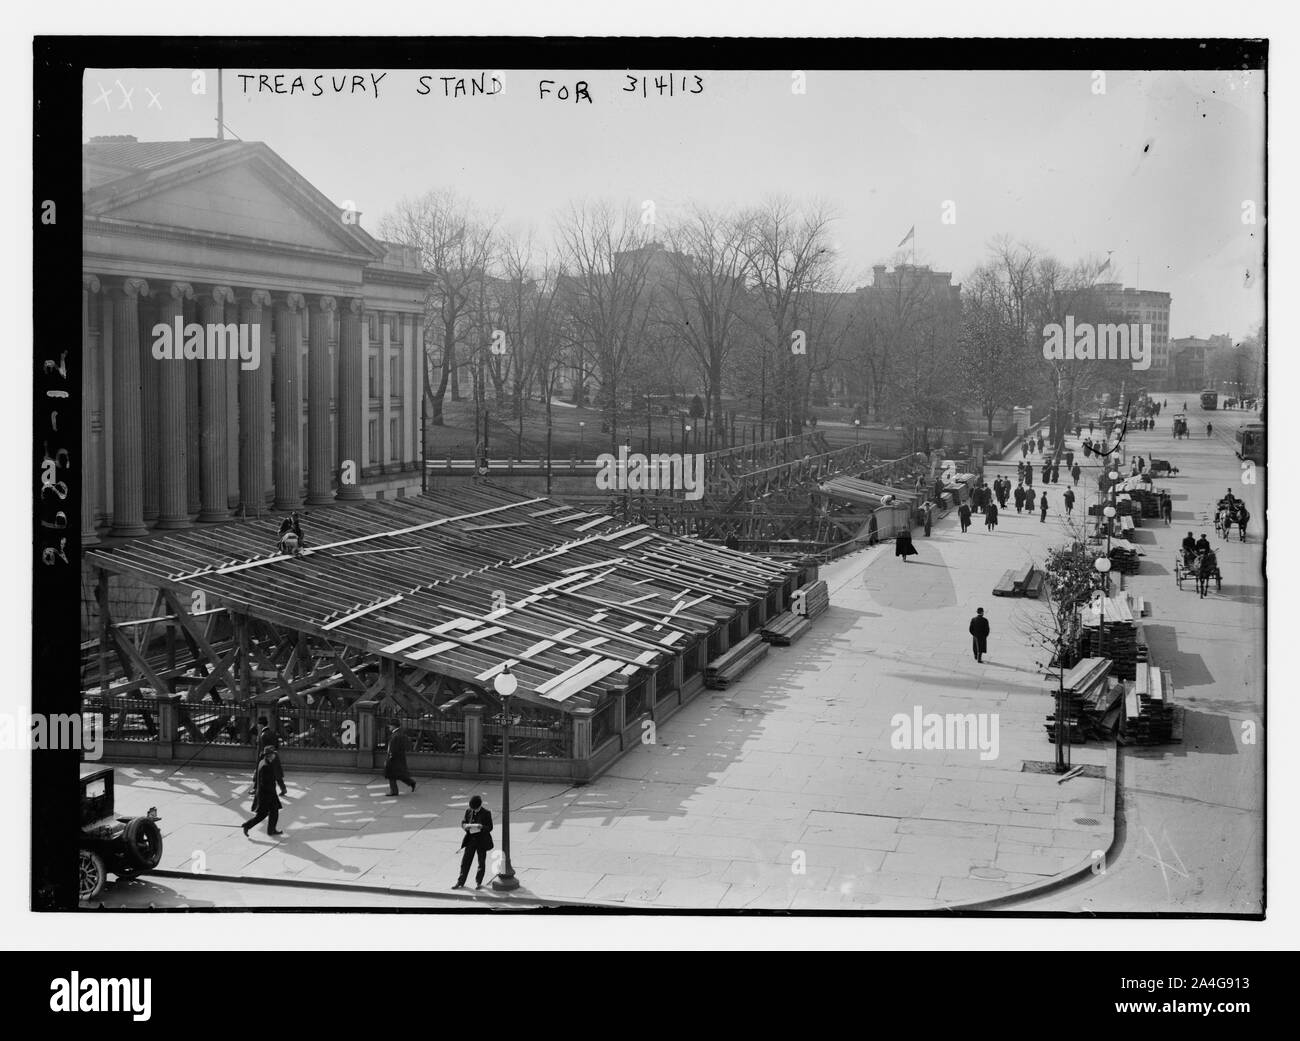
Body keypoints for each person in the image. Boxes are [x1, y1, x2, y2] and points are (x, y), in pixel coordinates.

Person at [454, 795, 495, 890]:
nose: (474, 810)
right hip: (471, 840)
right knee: (465, 862)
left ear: (479, 806)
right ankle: (460, 881)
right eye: (472, 808)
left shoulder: (486, 813)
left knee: (481, 862)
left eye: (475, 809)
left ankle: (478, 882)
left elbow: (490, 827)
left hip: (481, 841)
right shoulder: (468, 811)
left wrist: (482, 827)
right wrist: (465, 826)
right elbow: (463, 822)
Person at [242, 747, 285, 837]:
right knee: (262, 815)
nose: (274, 755)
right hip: (267, 795)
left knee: (274, 811)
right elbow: (265, 783)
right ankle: (247, 825)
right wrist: (270, 795)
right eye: (273, 754)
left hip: (267, 794)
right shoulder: (266, 766)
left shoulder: (264, 762)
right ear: (270, 755)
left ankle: (271, 830)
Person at [255, 717, 287, 796]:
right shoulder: (273, 732)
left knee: (261, 774)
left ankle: (257, 789)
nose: (258, 726)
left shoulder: (263, 735)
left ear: (261, 725)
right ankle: (283, 788)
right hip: (274, 755)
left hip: (267, 757)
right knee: (277, 774)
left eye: (259, 724)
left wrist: (261, 758)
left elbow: (263, 749)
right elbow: (277, 746)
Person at [384, 722, 417, 796]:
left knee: (391, 775)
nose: (389, 727)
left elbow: (392, 748)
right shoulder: (399, 733)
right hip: (399, 758)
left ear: (394, 726)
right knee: (399, 774)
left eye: (390, 725)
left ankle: (394, 791)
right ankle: (411, 782)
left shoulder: (395, 735)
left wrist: (389, 758)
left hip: (394, 758)